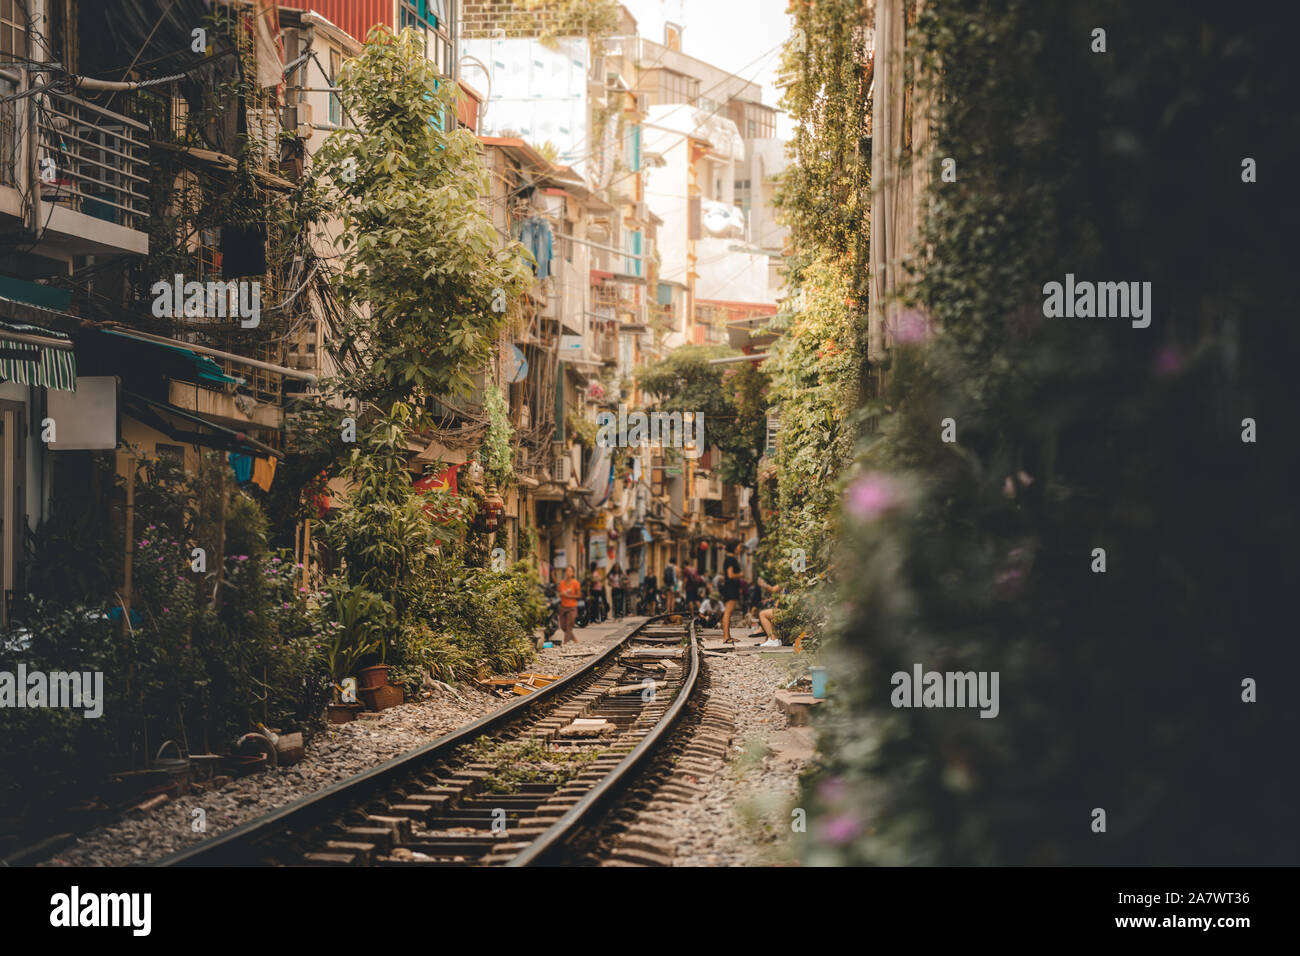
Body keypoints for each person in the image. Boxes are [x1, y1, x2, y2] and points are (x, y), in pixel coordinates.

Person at [721, 541, 744, 644]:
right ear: (734, 548)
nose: (740, 549)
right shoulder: (731, 559)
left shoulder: (729, 559)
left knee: (728, 612)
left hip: (730, 587)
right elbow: (730, 575)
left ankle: (728, 636)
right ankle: (726, 637)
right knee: (728, 612)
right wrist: (740, 575)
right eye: (739, 547)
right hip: (731, 588)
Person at [558, 565, 582, 644]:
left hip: (572, 607)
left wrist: (568, 595)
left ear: (573, 573)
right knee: (563, 626)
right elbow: (559, 593)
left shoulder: (575, 583)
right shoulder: (562, 583)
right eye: (567, 571)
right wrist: (561, 594)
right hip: (563, 607)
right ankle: (574, 639)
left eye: (570, 571)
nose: (568, 573)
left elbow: (579, 595)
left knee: (569, 626)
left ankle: (565, 643)